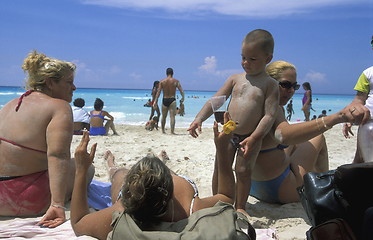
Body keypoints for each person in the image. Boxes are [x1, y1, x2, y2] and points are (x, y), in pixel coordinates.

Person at [219, 60, 368, 205]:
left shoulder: (247, 108)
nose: (290, 90)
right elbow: (284, 135)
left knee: (296, 144)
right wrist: (336, 118)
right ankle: (325, 187)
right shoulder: (274, 109)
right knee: (317, 137)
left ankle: (321, 180)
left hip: (251, 186)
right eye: (285, 85)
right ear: (270, 82)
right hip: (280, 190)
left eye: (294, 86)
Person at [70, 113, 236, 239]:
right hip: (175, 188)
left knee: (119, 174)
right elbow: (227, 196)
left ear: (127, 193)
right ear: (171, 195)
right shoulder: (190, 208)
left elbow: (78, 223)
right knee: (163, 171)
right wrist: (221, 149)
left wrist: (81, 170)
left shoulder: (120, 212)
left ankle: (111, 164)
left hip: (143, 191)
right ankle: (161, 162)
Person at [188, 29, 279, 214]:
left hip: (251, 136)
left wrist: (255, 137)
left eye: (252, 59)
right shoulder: (235, 79)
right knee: (220, 166)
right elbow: (216, 100)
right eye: (243, 57)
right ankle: (217, 200)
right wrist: (198, 118)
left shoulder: (270, 84)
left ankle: (240, 207)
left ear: (267, 58)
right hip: (228, 132)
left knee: (243, 171)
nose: (246, 63)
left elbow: (269, 116)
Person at [0, 50, 94, 227]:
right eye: (69, 82)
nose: (74, 88)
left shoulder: (10, 105)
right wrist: (57, 204)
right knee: (87, 170)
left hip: (1, 197)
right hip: (26, 200)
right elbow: (58, 155)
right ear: (50, 83)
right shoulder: (59, 107)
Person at [343, 65, 373, 163]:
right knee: (361, 158)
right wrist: (350, 118)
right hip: (368, 123)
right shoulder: (368, 73)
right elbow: (358, 101)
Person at [153, 68, 185, 134]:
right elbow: (181, 90)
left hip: (165, 99)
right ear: (173, 73)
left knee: (163, 116)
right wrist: (183, 97)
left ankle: (163, 131)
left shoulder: (162, 81)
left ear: (166, 73)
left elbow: (158, 92)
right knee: (172, 116)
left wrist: (155, 101)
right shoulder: (176, 81)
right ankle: (172, 132)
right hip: (172, 99)